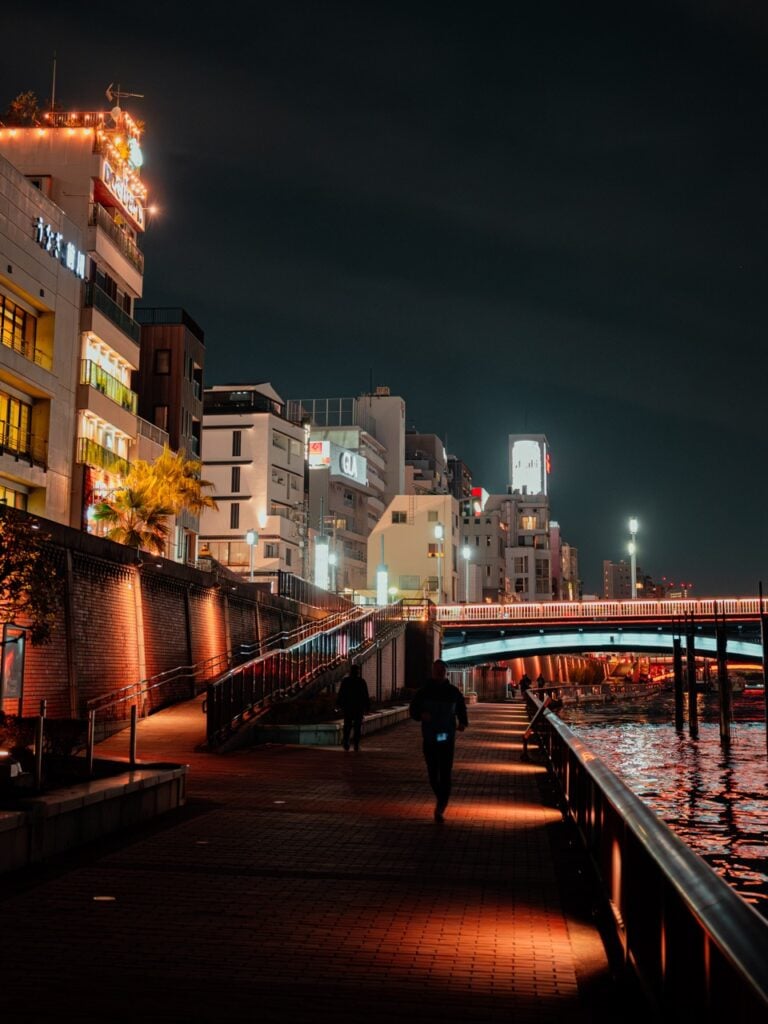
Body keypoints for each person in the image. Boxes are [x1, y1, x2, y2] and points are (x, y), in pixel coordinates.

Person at [409, 659, 468, 822]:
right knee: (433, 773)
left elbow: (462, 708)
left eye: (441, 670)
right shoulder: (423, 692)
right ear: (432, 671)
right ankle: (441, 798)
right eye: (437, 670)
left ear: (445, 672)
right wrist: (421, 715)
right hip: (429, 737)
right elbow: (413, 710)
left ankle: (441, 806)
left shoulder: (453, 692)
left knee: (445, 772)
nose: (439, 672)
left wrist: (462, 722)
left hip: (446, 737)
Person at [335, 663, 371, 752]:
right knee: (357, 726)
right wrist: (367, 706)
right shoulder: (361, 681)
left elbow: (341, 694)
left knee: (347, 725)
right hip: (358, 707)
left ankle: (346, 742)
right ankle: (356, 744)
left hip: (348, 707)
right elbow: (365, 695)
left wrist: (339, 704)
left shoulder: (346, 681)